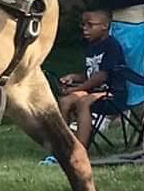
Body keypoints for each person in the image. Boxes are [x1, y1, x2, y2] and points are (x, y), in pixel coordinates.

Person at [56, 8, 131, 149]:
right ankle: (63, 145)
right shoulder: (92, 46)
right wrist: (73, 77)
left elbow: (102, 76)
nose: (85, 29)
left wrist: (78, 88)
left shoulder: (111, 46)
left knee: (84, 102)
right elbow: (90, 73)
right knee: (65, 101)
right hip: (94, 92)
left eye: (90, 25)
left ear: (104, 26)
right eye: (83, 25)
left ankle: (80, 149)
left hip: (113, 94)